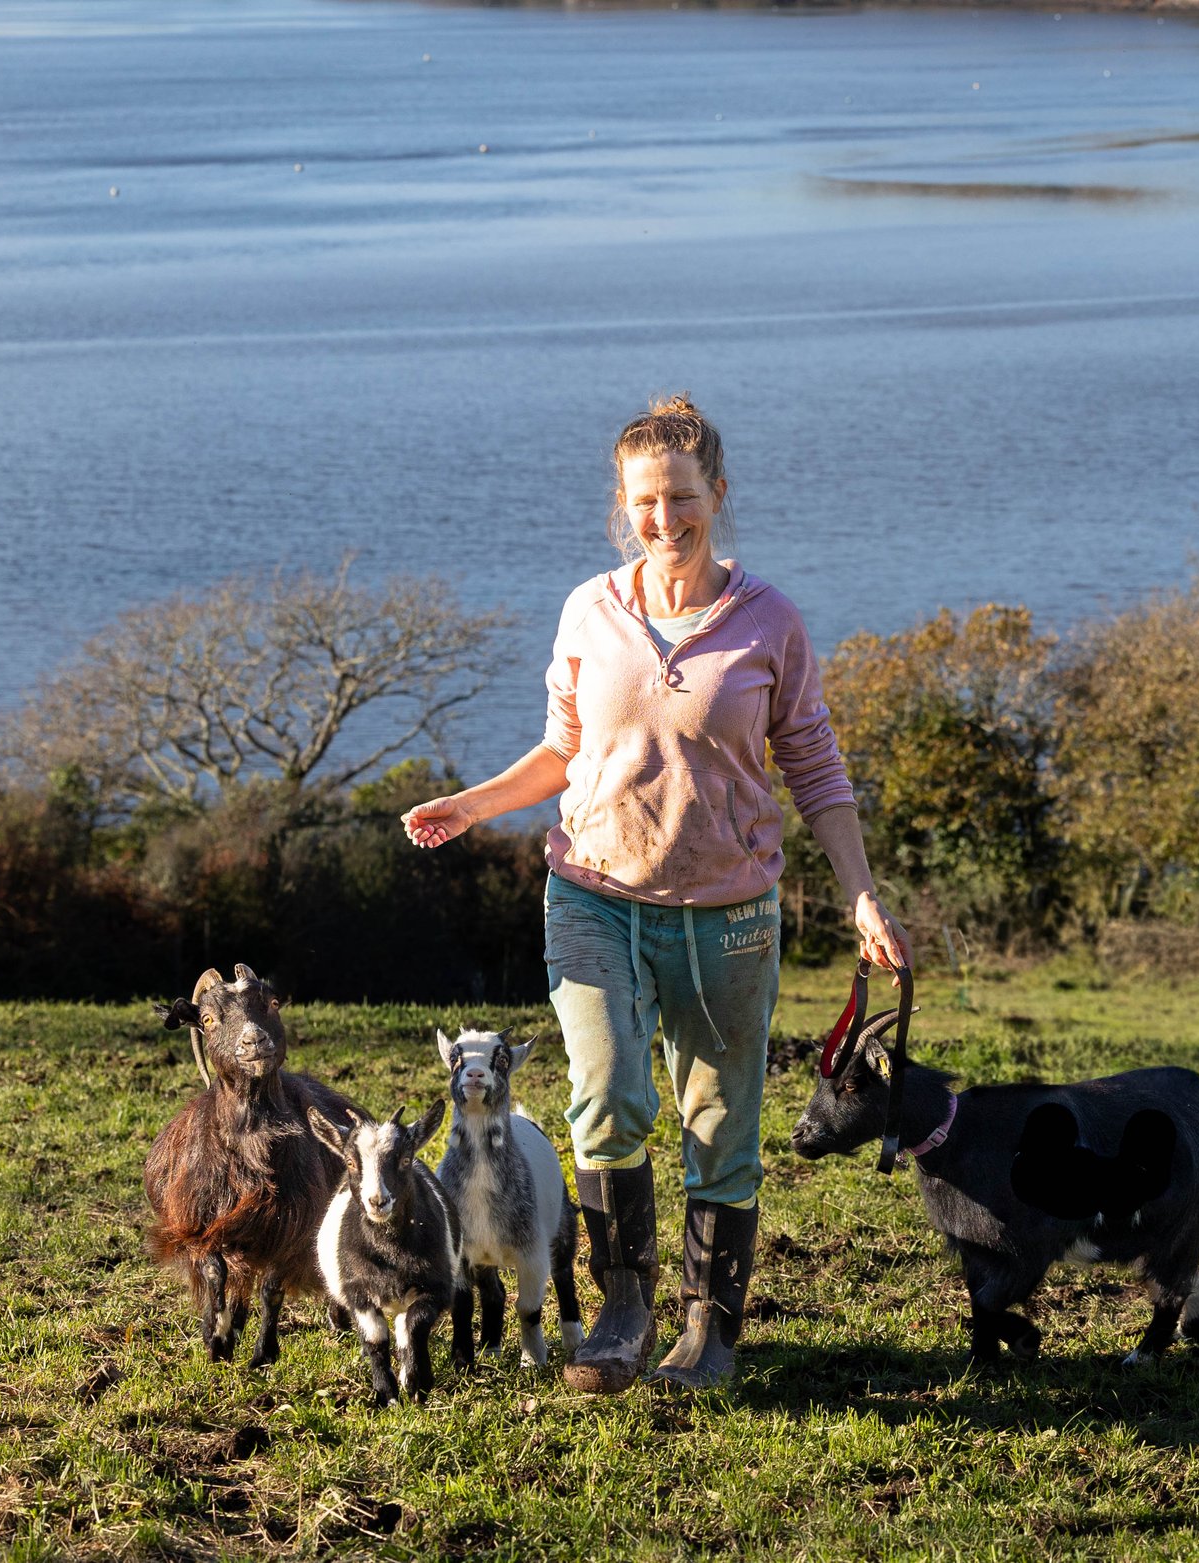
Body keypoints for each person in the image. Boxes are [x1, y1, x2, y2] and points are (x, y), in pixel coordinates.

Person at [400, 395, 908, 1393]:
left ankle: (708, 1330)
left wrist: (859, 894)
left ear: (716, 494)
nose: (662, 518)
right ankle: (622, 1307)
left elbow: (815, 768)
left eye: (680, 497)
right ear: (622, 505)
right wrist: (472, 804)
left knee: (718, 1125)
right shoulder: (588, 610)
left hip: (727, 918)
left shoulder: (768, 622)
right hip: (592, 894)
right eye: (643, 501)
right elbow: (563, 750)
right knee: (605, 1096)